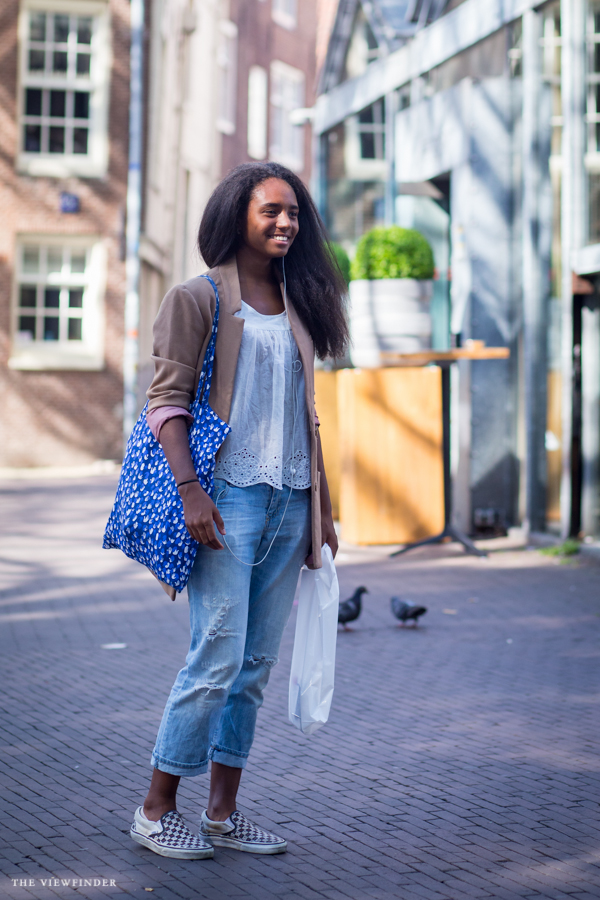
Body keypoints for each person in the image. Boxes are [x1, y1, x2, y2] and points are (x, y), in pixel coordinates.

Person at [130, 162, 348, 859]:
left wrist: (325, 509)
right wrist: (191, 490)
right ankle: (156, 807)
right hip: (225, 499)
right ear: (239, 216)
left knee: (253, 665)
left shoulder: (301, 303)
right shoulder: (197, 299)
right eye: (271, 212)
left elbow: (305, 415)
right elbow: (165, 404)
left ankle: (222, 813)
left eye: (294, 214)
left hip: (291, 499)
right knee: (215, 657)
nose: (286, 223)